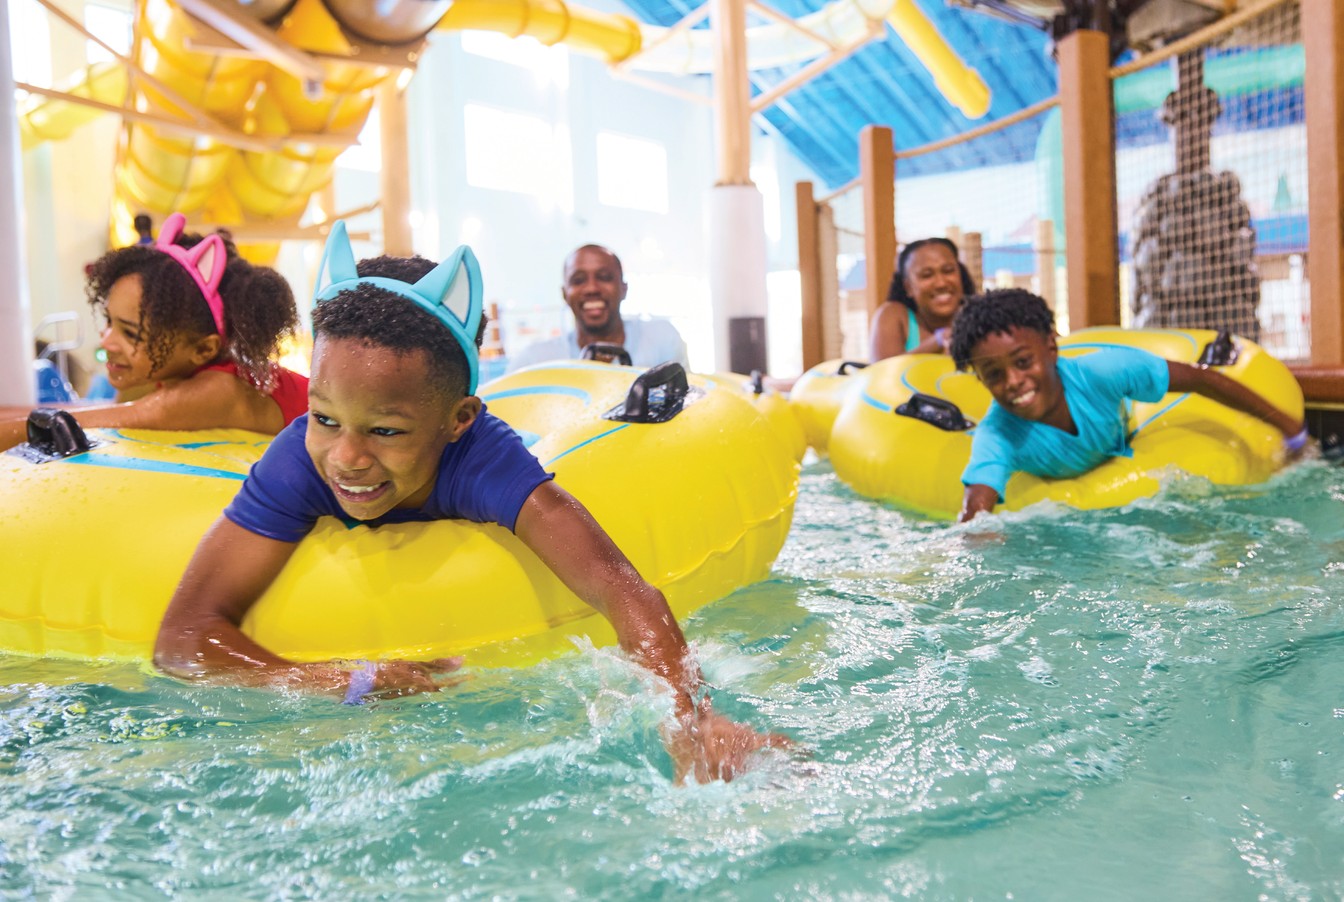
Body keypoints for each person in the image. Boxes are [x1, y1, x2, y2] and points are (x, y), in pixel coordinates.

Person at [154, 223, 788, 784]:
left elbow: (619, 587)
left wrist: (690, 718)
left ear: (458, 420)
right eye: (325, 417)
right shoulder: (297, 459)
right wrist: (334, 678)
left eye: (386, 430)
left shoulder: (483, 457)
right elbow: (182, 639)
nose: (346, 457)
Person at [951, 288, 1309, 523]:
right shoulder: (997, 435)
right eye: (994, 374)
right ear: (980, 380)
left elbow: (1203, 380)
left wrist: (1292, 432)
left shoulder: (1104, 372)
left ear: (1050, 347)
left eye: (1023, 362)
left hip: (1126, 431)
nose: (1013, 381)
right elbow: (974, 513)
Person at [0, 212, 307, 452]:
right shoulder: (166, 375)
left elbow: (81, 423)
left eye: (131, 334)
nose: (107, 341)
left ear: (203, 349)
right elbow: (92, 408)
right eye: (109, 322)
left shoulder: (217, 390)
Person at [506, 244, 689, 372]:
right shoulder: (536, 362)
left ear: (624, 288)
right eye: (578, 280)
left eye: (604, 277)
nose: (592, 288)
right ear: (564, 294)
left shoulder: (662, 340)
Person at [870, 237, 976, 362]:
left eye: (948, 271)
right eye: (927, 275)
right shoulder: (894, 315)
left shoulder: (980, 316)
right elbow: (882, 372)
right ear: (908, 287)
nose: (941, 283)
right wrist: (939, 340)